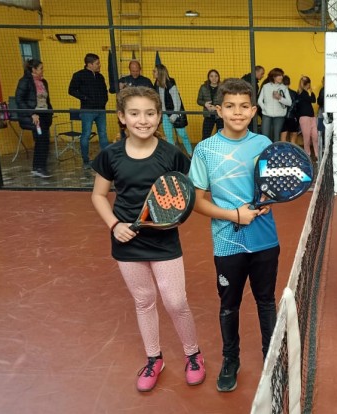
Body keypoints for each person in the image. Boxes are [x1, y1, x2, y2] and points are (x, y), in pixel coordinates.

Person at [90, 86, 205, 393]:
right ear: (122, 117)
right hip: (127, 241)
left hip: (165, 241)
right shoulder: (110, 155)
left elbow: (187, 192)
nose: (143, 120)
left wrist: (174, 215)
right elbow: (99, 195)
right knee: (143, 302)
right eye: (135, 113)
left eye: (150, 113)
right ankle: (154, 358)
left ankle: (193, 354)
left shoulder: (171, 154)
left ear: (159, 116)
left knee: (176, 301)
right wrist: (114, 225)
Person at [188, 78, 280, 393]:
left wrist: (268, 203)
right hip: (228, 242)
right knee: (230, 304)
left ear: (254, 110)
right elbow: (197, 201)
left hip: (266, 240)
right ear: (219, 110)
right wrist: (233, 215)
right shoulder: (205, 150)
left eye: (244, 107)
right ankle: (231, 360)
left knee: (266, 301)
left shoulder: (264, 144)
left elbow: (272, 189)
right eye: (230, 106)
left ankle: (271, 357)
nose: (237, 113)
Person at [68, 53, 110, 169]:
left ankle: (106, 159)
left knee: (103, 134)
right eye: (97, 63)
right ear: (90, 64)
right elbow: (71, 90)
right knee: (86, 135)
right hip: (87, 110)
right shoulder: (79, 75)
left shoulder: (100, 77)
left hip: (101, 110)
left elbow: (104, 91)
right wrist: (85, 98)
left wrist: (104, 101)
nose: (99, 65)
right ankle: (86, 160)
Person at [15, 59, 53, 178]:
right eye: (40, 68)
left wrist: (50, 111)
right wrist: (32, 113)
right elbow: (19, 100)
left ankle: (38, 167)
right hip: (34, 116)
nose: (43, 70)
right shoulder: (24, 81)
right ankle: (39, 167)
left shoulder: (43, 82)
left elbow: (46, 99)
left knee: (44, 141)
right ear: (33, 69)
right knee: (41, 140)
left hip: (44, 114)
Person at [153, 64, 193, 155]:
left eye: (155, 71)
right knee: (169, 137)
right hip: (165, 114)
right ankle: (174, 156)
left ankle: (191, 154)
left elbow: (177, 102)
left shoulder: (170, 83)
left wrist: (174, 115)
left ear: (160, 72)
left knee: (183, 135)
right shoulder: (157, 84)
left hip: (175, 113)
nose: (153, 73)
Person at [257, 67, 291, 142]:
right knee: (265, 136)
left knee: (276, 137)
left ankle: (274, 153)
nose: (281, 77)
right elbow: (259, 100)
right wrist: (265, 108)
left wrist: (280, 98)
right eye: (279, 75)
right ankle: (265, 152)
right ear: (273, 77)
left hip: (279, 116)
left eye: (282, 75)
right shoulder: (266, 87)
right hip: (267, 115)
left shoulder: (284, 88)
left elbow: (289, 102)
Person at [197, 69, 224, 140]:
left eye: (216, 76)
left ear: (218, 77)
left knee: (222, 136)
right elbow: (199, 100)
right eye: (211, 76)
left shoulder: (223, 88)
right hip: (208, 115)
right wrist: (205, 104)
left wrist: (216, 108)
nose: (214, 78)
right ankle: (205, 150)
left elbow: (226, 102)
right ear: (208, 77)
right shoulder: (203, 87)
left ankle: (221, 150)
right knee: (205, 136)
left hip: (220, 115)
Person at [296, 75, 318, 159]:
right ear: (308, 84)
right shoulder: (301, 93)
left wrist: (310, 91)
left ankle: (316, 154)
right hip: (304, 118)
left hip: (311, 117)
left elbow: (312, 99)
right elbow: (313, 99)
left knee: (315, 135)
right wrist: (311, 91)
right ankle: (307, 154)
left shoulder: (303, 93)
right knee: (307, 137)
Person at [242, 65, 265, 132]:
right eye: (262, 73)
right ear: (256, 72)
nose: (262, 75)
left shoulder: (245, 79)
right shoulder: (252, 83)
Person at [279, 75, 300, 144]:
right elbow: (297, 107)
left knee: (283, 138)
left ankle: (283, 153)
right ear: (289, 82)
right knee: (293, 138)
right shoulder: (294, 93)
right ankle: (292, 153)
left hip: (282, 117)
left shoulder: (280, 93)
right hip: (293, 117)